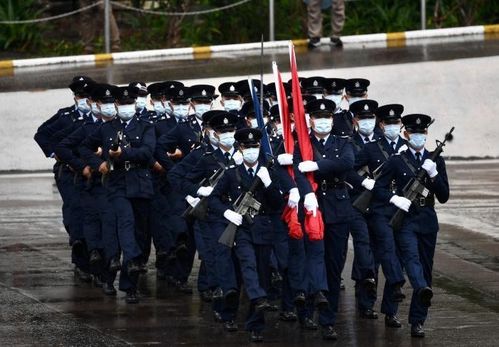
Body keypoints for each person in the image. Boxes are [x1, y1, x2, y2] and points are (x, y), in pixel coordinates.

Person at [373, 114, 449, 337]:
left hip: (427, 219)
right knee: (410, 260)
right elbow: (379, 188)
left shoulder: (436, 160)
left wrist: (434, 174)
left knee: (425, 268)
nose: (418, 136)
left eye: (422, 132)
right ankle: (418, 289)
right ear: (406, 134)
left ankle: (417, 320)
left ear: (426, 134)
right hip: (405, 219)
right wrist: (394, 199)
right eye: (413, 132)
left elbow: (444, 196)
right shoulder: (397, 160)